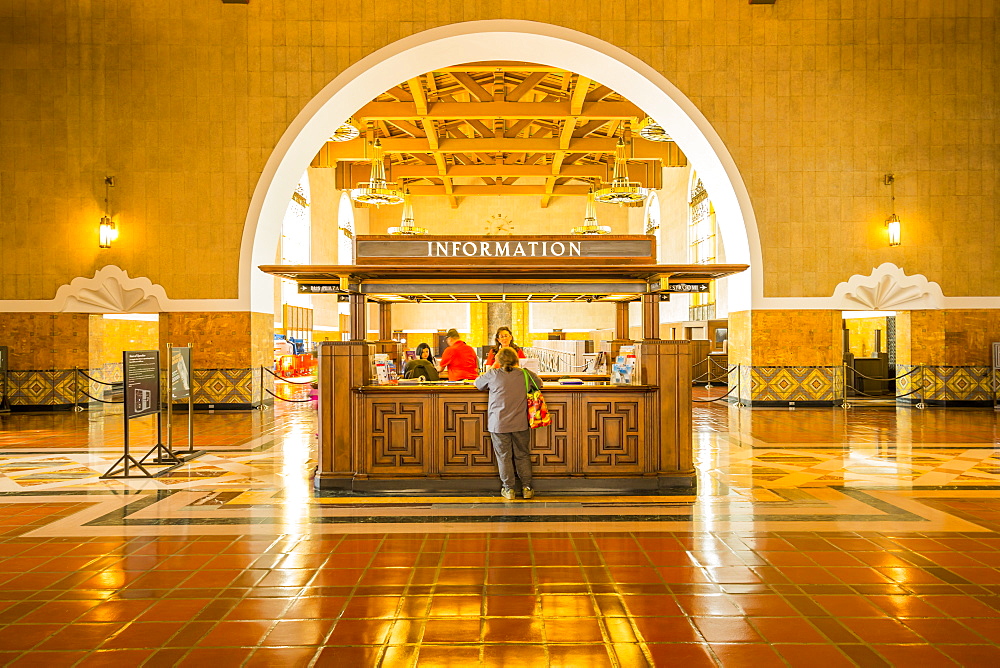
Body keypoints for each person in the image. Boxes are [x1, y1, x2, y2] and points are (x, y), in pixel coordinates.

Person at [474, 347, 541, 500]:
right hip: (520, 422)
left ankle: (509, 489)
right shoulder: (525, 374)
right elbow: (540, 383)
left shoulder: (492, 374)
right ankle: (527, 488)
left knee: (504, 456)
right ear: (516, 360)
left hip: (499, 423)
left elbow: (477, 384)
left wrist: (491, 367)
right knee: (522, 454)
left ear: (498, 360)